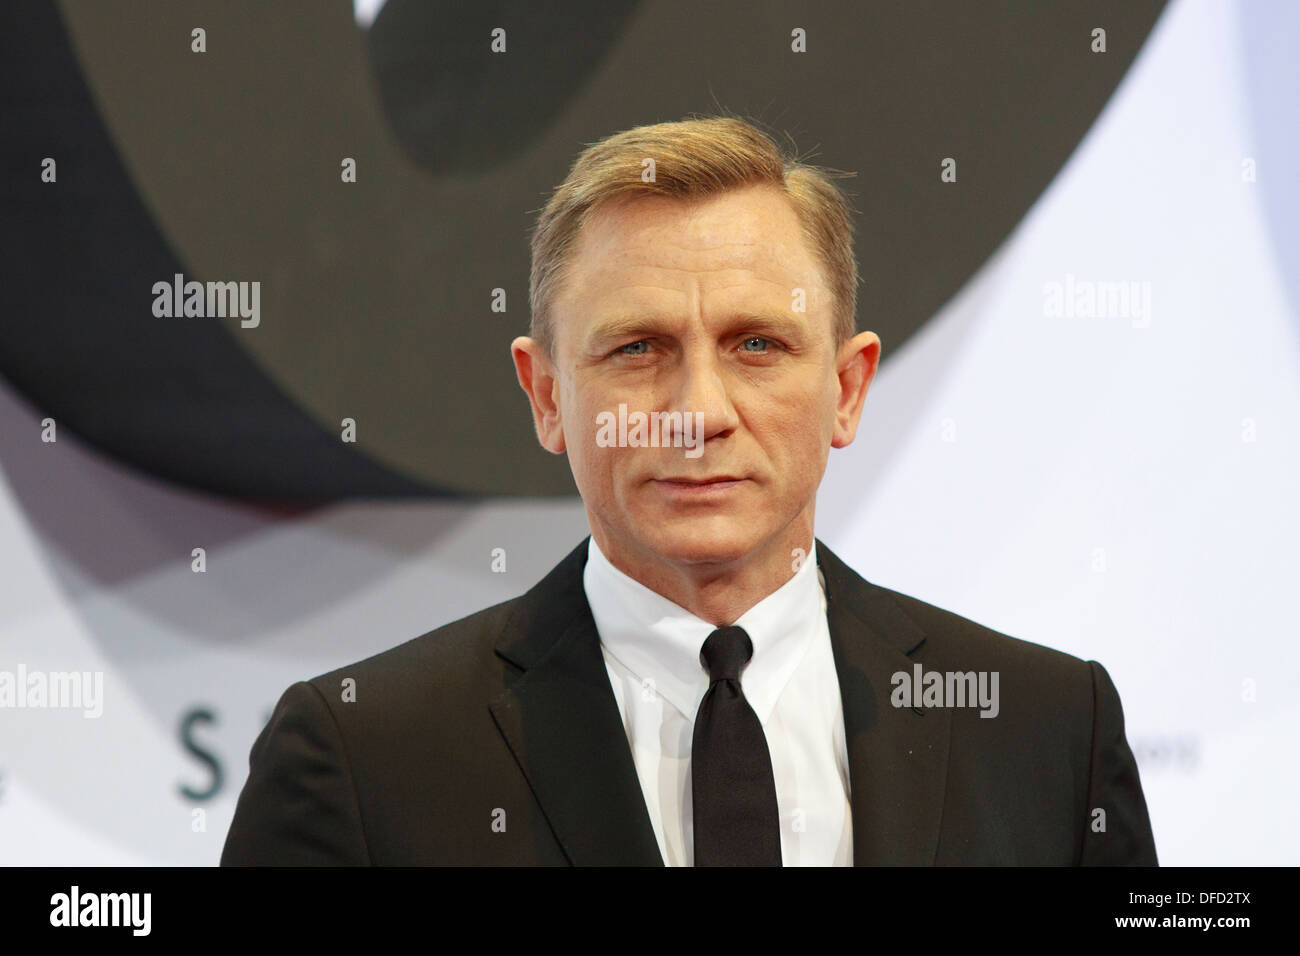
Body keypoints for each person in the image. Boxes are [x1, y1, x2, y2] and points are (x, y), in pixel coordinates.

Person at [221, 116, 1157, 866]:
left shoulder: (1046, 730)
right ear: (548, 396)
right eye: (638, 349)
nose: (696, 413)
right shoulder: (361, 755)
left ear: (846, 388)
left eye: (758, 344)